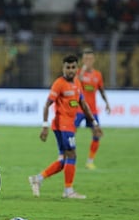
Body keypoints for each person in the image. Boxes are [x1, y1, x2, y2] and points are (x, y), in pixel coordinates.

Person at [28, 54, 103, 199]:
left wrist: (94, 123)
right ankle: (68, 191)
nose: (70, 70)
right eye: (68, 67)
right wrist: (45, 126)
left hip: (68, 126)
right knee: (72, 155)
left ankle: (38, 179)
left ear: (77, 68)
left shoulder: (77, 83)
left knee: (64, 160)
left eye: (73, 67)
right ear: (63, 68)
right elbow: (47, 104)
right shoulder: (59, 83)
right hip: (62, 126)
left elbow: (84, 105)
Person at [75, 48, 111, 170]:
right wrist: (83, 71)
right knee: (70, 132)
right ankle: (66, 156)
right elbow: (76, 84)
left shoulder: (98, 75)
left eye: (90, 59)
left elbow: (101, 90)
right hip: (79, 109)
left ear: (94, 60)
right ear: (82, 60)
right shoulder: (79, 72)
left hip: (92, 110)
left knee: (97, 133)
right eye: (85, 59)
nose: (88, 61)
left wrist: (107, 103)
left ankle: (90, 161)